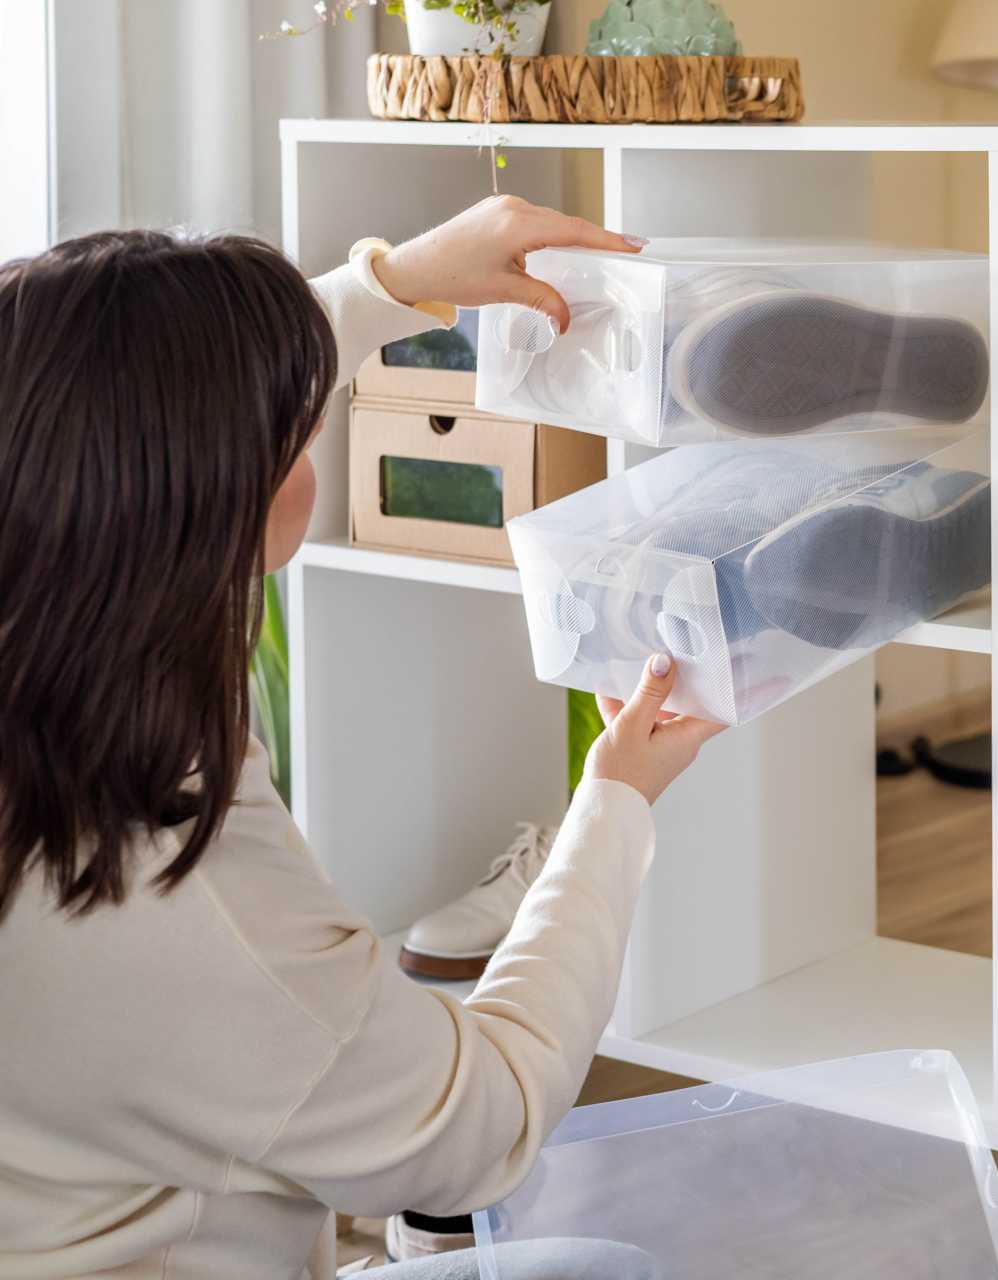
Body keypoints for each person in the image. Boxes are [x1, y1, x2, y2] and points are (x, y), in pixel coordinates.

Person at [0, 197, 723, 1279]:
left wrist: (398, 280)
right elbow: (485, 1122)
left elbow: (134, 410)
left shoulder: (54, 659)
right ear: (215, 485)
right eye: (290, 420)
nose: (318, 420)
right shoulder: (165, 885)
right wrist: (611, 801)